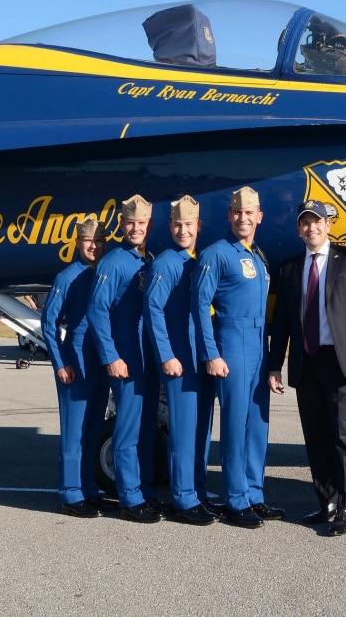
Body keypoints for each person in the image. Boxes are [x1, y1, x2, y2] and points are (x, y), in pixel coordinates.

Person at [268, 200, 346, 537]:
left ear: (328, 225)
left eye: (317, 222)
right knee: (315, 435)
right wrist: (275, 365)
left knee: (343, 436)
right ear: (299, 228)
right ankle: (327, 501)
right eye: (305, 223)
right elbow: (282, 323)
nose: (311, 228)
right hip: (306, 360)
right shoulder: (289, 269)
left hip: (340, 360)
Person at [192, 186, 281, 529]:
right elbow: (200, 306)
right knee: (235, 424)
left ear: (259, 216)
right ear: (229, 216)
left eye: (250, 213)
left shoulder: (257, 255)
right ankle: (234, 498)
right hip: (231, 341)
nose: (243, 218)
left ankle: (254, 494)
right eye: (237, 213)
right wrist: (211, 353)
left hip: (258, 343)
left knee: (257, 424)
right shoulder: (216, 254)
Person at [86, 194, 163, 524]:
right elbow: (96, 311)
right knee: (128, 431)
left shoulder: (146, 261)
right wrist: (111, 357)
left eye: (141, 223)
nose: (135, 228)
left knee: (145, 429)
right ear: (121, 224)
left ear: (149, 225)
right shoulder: (114, 262)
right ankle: (130, 499)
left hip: (146, 360)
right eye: (129, 222)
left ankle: (142, 491)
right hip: (126, 360)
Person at [144, 195, 218, 526]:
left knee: (201, 430)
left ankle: (197, 490)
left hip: (199, 359)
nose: (183, 230)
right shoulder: (166, 263)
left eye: (188, 224)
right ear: (169, 227)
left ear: (198, 226)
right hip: (179, 361)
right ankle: (182, 498)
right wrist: (166, 356)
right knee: (184, 431)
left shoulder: (196, 261)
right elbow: (152, 311)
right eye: (177, 224)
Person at [41, 217, 111, 518]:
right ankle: (71, 493)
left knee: (93, 429)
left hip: (99, 360)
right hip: (76, 360)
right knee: (74, 431)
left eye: (97, 242)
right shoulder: (67, 277)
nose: (93, 246)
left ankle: (88, 489)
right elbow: (49, 323)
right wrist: (61, 363)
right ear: (78, 242)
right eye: (87, 241)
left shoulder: (104, 275)